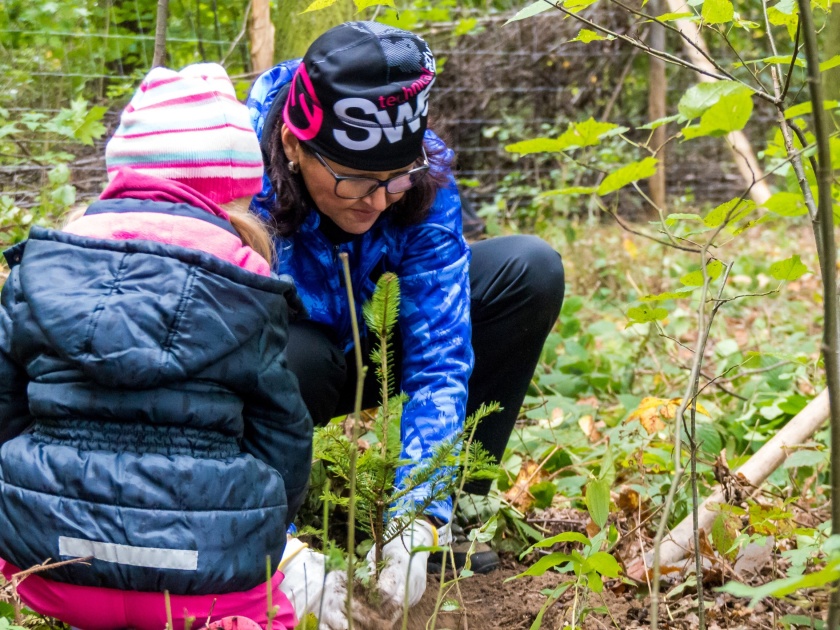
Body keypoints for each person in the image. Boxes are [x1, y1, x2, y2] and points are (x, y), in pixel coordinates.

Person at [246, 20, 566, 613]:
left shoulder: (422, 178)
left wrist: (419, 518)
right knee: (298, 354)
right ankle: (270, 531)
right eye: (353, 179)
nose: (376, 200)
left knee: (530, 269)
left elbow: (441, 351)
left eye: (394, 180)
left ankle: (453, 521)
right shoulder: (237, 169)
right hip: (278, 359)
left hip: (374, 337)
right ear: (294, 145)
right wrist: (270, 551)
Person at [0, 63, 312, 630]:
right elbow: (283, 436)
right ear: (233, 193)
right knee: (275, 606)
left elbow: (4, 410)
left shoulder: (42, 271)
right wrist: (259, 532)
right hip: (203, 580)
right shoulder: (246, 284)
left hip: (47, 565)